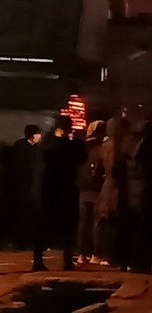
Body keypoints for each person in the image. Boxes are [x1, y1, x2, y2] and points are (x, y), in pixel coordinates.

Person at [33, 115, 85, 271]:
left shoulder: (50, 142)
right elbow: (80, 157)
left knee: (51, 225)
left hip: (54, 188)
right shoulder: (58, 143)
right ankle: (60, 260)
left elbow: (81, 157)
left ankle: (46, 260)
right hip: (59, 187)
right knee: (61, 225)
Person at [124, 118, 152, 273]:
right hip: (148, 191)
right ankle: (140, 262)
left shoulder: (139, 146)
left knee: (140, 227)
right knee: (145, 228)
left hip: (139, 190)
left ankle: (137, 261)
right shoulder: (151, 148)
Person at [99, 115, 135, 268]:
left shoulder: (105, 145)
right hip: (118, 189)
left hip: (108, 188)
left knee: (112, 224)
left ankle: (114, 256)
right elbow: (117, 168)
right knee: (121, 225)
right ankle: (120, 258)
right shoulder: (120, 146)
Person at [76, 121, 107, 264]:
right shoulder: (102, 148)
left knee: (83, 223)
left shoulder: (82, 147)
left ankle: (82, 253)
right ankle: (96, 253)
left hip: (83, 188)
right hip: (97, 188)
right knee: (97, 222)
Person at [9, 125, 42, 251]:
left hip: (32, 187)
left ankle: (27, 241)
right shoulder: (21, 147)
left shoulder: (37, 148)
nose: (40, 136)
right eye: (38, 133)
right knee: (22, 215)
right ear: (32, 135)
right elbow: (19, 167)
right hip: (23, 187)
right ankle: (19, 242)